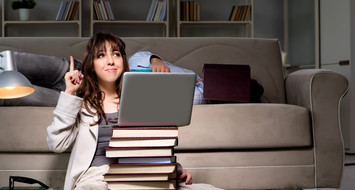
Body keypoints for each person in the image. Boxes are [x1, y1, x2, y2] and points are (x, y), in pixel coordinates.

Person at [47, 32, 325, 190]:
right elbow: (57, 144)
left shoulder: (144, 95)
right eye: (101, 55)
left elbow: (153, 142)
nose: (110, 60)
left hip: (141, 173)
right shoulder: (82, 103)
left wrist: (173, 166)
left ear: (124, 61)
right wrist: (69, 95)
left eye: (116, 54)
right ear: (91, 65)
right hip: (99, 174)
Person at [0, 49, 203, 106]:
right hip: (78, 69)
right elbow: (137, 57)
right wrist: (156, 61)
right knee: (11, 60)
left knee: (15, 94)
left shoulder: (198, 100)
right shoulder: (189, 74)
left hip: (87, 99)